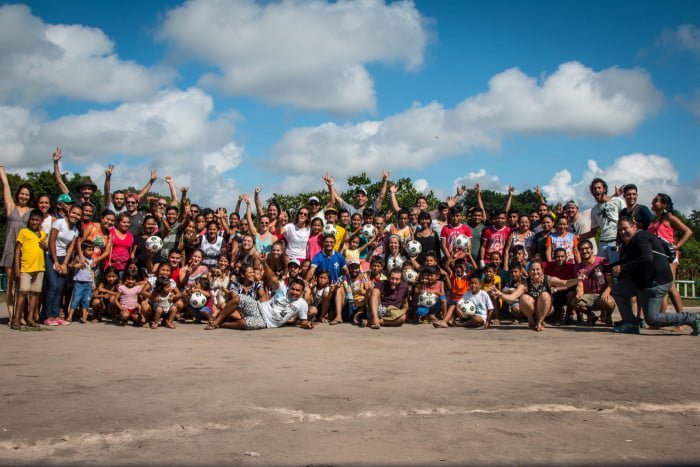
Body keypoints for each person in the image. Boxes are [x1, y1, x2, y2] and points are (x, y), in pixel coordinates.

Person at [612, 217, 699, 335]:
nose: (622, 232)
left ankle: (692, 318)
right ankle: (630, 323)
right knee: (618, 290)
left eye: (625, 228)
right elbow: (630, 261)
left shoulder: (640, 237)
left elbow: (647, 257)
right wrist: (609, 268)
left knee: (653, 319)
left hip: (656, 283)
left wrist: (624, 268)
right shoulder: (631, 242)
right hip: (643, 282)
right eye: (620, 230)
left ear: (634, 226)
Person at [205, 254, 313, 331]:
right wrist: (264, 263)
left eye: (297, 290)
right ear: (289, 287)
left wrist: (307, 324)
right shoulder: (283, 289)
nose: (294, 292)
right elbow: (273, 278)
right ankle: (216, 322)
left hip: (266, 322)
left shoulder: (302, 304)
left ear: (302, 291)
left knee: (244, 323)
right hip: (259, 307)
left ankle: (223, 324)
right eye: (292, 289)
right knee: (238, 298)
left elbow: (303, 320)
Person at [492, 260, 580, 332]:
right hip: (531, 310)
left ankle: (540, 322)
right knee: (524, 297)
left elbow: (565, 283)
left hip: (546, 309)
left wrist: (577, 279)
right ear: (529, 271)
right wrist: (500, 294)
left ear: (542, 270)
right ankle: (531, 320)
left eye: (538, 269)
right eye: (532, 270)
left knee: (545, 295)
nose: (535, 272)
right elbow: (512, 297)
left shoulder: (548, 279)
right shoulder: (525, 283)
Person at [648, 193, 693, 313]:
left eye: (656, 200)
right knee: (661, 287)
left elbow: (688, 231)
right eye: (653, 199)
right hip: (657, 256)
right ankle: (661, 318)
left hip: (669, 255)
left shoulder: (669, 217)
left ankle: (682, 319)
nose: (653, 202)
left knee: (670, 286)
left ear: (664, 204)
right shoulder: (654, 220)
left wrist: (678, 245)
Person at [1, 164, 33, 318]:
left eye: (27, 195)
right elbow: (6, 185)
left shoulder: (32, 212)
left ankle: (21, 314)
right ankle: (12, 313)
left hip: (25, 251)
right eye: (22, 194)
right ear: (18, 194)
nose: (24, 196)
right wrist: (2, 172)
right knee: (10, 284)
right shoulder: (11, 207)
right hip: (10, 248)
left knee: (23, 285)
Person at [45, 204, 82, 325]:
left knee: (60, 287)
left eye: (78, 215)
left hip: (63, 258)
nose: (75, 216)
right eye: (74, 213)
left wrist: (65, 263)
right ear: (69, 211)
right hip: (51, 256)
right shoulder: (59, 223)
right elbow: (51, 241)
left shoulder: (76, 229)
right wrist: (55, 261)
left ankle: (56, 315)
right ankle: (47, 315)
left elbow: (70, 247)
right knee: (53, 285)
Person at [11, 209, 47, 330]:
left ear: (41, 221)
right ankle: (16, 319)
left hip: (39, 267)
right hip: (26, 267)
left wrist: (45, 246)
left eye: (37, 220)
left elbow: (45, 249)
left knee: (35, 293)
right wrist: (17, 267)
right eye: (32, 219)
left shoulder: (43, 234)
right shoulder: (24, 232)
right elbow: (17, 250)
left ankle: (30, 318)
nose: (34, 222)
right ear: (29, 220)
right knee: (22, 292)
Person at [580, 178, 624, 263]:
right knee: (601, 269)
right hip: (602, 243)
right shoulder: (594, 210)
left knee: (616, 267)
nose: (597, 190)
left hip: (616, 240)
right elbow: (593, 232)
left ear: (604, 189)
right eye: (594, 188)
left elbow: (626, 219)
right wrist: (578, 236)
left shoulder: (618, 201)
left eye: (599, 188)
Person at [573, 240, 615, 326]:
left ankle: (608, 315)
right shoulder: (578, 267)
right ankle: (591, 315)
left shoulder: (603, 261)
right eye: (581, 249)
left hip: (602, 294)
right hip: (588, 295)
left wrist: (606, 292)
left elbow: (611, 282)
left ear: (592, 249)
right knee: (575, 303)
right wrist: (579, 293)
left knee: (609, 302)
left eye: (587, 248)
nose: (584, 251)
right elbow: (580, 285)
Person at [66, 241, 95, 323]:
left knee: (86, 300)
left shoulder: (92, 260)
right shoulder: (78, 257)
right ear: (83, 250)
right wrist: (76, 266)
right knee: (76, 298)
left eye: (92, 250)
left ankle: (84, 316)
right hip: (79, 282)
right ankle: (70, 316)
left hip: (88, 283)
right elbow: (69, 265)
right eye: (89, 249)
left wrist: (93, 282)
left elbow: (92, 271)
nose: (91, 251)